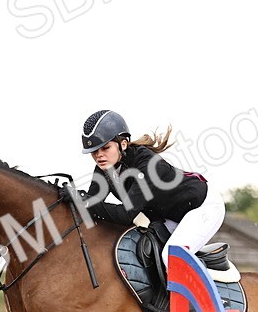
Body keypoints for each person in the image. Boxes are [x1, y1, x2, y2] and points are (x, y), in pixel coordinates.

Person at [78, 109, 226, 272]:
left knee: (170, 258)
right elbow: (91, 202)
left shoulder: (147, 163)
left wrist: (82, 201)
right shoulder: (104, 167)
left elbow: (125, 215)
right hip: (171, 216)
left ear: (123, 144)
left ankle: (203, 298)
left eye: (105, 148)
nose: (99, 156)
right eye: (94, 152)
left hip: (203, 207)